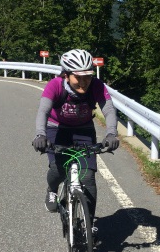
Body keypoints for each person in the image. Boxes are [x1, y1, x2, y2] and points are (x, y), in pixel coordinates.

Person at [32, 48, 119, 218]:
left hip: (83, 129)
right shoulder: (55, 85)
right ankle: (52, 189)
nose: (84, 82)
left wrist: (111, 134)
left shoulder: (96, 86)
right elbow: (43, 111)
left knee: (88, 177)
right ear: (66, 75)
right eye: (78, 77)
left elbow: (108, 110)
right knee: (58, 169)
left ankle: (89, 223)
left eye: (87, 76)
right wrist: (40, 135)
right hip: (56, 128)